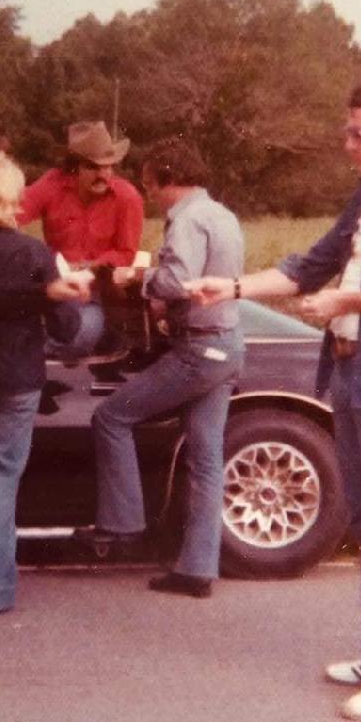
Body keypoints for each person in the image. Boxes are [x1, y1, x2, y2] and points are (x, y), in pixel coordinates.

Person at [187, 76, 361, 716]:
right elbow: (307, 267)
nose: (347, 143)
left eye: (357, 134)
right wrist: (228, 288)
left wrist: (345, 301)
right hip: (351, 373)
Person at [83, 137, 244, 598]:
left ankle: (122, 522)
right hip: (227, 345)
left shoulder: (188, 219)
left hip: (196, 350)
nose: (150, 196)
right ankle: (196, 570)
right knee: (206, 459)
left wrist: (137, 276)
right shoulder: (222, 214)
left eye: (152, 187)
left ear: (169, 180)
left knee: (112, 416)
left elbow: (178, 281)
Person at [0, 152, 85, 616]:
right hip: (18, 378)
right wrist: (63, 286)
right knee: (3, 477)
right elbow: (67, 328)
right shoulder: (32, 253)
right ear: (12, 197)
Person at [18, 120, 145, 357]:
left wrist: (87, 268)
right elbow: (13, 213)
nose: (104, 174)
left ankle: (25, 353)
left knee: (78, 337)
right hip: (53, 287)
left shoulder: (127, 198)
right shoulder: (52, 184)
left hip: (96, 293)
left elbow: (127, 253)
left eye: (109, 167)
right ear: (74, 167)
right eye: (94, 167)